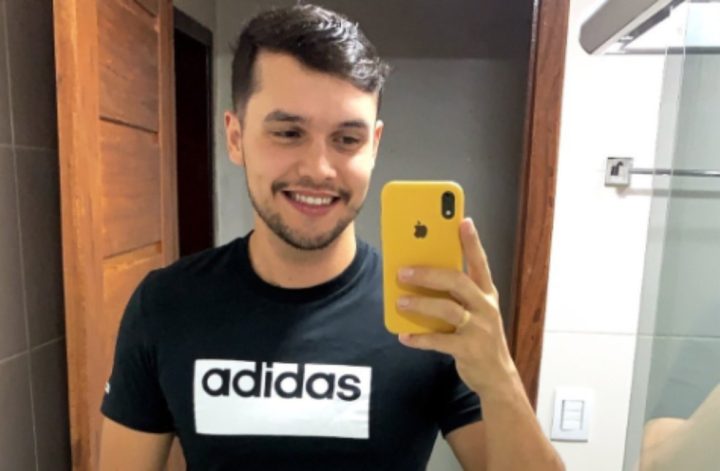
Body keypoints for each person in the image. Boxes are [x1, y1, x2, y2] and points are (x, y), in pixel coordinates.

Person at [99, 4, 564, 470]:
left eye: (346, 139)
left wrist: (500, 377)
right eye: (288, 132)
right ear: (236, 137)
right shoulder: (166, 304)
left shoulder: (427, 314)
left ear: (374, 145)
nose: (319, 169)